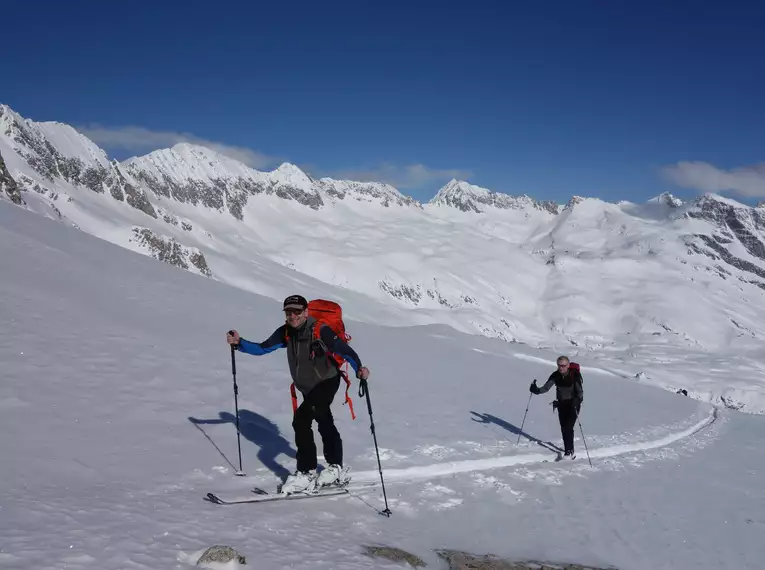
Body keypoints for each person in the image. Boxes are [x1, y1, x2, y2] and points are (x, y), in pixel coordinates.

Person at [226, 294, 370, 494]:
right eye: (288, 312)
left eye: (297, 312)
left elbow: (344, 350)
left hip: (327, 381)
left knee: (301, 420)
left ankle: (306, 472)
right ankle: (335, 467)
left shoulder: (320, 329)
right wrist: (239, 343)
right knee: (323, 419)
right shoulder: (286, 332)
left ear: (306, 312)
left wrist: (359, 369)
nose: (293, 316)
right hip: (308, 387)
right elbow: (262, 348)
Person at [529, 355, 583, 459]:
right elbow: (546, 388)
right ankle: (568, 449)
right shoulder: (555, 375)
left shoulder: (574, 375)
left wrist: (577, 400)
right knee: (564, 428)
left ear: (568, 365)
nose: (561, 368)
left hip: (573, 405)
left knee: (568, 427)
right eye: (559, 365)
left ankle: (569, 451)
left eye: (563, 365)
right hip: (561, 405)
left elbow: (580, 392)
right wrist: (536, 390)